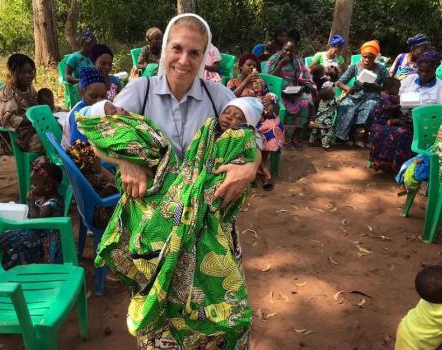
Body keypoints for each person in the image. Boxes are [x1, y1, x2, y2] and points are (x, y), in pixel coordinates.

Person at [94, 13, 258, 349]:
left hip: (207, 226)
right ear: (164, 49)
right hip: (155, 229)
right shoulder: (140, 91)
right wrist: (126, 160)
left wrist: (250, 168)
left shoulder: (217, 98)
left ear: (204, 58)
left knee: (218, 316)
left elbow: (247, 140)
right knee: (159, 318)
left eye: (194, 53)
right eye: (177, 48)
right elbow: (101, 137)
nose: (184, 60)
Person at [371, 51, 442, 173]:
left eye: (428, 71)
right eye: (421, 70)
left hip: (424, 124)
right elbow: (396, 94)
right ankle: (381, 160)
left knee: (402, 133)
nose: (423, 74)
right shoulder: (410, 79)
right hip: (401, 116)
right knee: (377, 128)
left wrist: (425, 111)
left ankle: (396, 167)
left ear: (435, 69)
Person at [227, 53, 283, 190]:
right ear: (241, 68)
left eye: (255, 66)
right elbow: (229, 98)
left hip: (261, 116)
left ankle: (260, 164)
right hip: (242, 118)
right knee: (250, 132)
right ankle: (264, 170)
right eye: (249, 65)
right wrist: (246, 82)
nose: (253, 68)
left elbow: (269, 96)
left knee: (274, 125)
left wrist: (270, 105)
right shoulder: (232, 82)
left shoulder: (260, 82)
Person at [0, 158, 64, 269]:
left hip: (46, 244)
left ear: (47, 186)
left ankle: (13, 266)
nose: (31, 188)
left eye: (34, 184)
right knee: (10, 235)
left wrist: (31, 203)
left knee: (16, 239)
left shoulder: (51, 204)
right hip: (39, 236)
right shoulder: (45, 197)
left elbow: (37, 224)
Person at [0, 53, 41, 158]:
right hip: (10, 137)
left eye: (30, 72)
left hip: (29, 130)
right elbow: (8, 120)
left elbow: (37, 106)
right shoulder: (7, 92)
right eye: (22, 73)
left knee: (59, 131)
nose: (28, 76)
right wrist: (35, 118)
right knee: (51, 139)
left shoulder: (28, 88)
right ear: (12, 73)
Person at [334, 40, 389, 148]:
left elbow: (388, 87)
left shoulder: (381, 69)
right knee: (346, 106)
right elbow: (339, 82)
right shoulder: (354, 66)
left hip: (372, 97)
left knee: (370, 107)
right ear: (361, 56)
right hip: (355, 95)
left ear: (376, 57)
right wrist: (348, 88)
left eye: (371, 57)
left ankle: (362, 138)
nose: (367, 60)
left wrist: (376, 86)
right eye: (365, 57)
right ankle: (346, 136)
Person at [266, 34, 316, 149]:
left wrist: (302, 87)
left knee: (305, 102)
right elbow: (268, 78)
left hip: (294, 90)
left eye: (291, 51)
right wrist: (281, 64)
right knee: (284, 105)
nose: (288, 53)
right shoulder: (274, 59)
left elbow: (305, 75)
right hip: (278, 89)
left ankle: (296, 136)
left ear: (295, 51)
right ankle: (285, 137)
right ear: (282, 49)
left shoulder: (297, 61)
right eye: (286, 50)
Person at [66, 140, 117, 228]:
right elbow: (113, 182)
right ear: (92, 164)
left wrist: (99, 168)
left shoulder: (84, 175)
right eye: (99, 160)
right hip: (102, 216)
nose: (100, 161)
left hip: (87, 212)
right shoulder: (96, 179)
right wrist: (101, 170)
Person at [61, 67, 108, 148]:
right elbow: (79, 147)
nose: (99, 101)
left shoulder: (100, 108)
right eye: (93, 96)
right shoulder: (78, 116)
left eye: (103, 96)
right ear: (83, 92)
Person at [309, 83, 338, 150]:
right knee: (326, 133)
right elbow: (338, 102)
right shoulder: (331, 101)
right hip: (326, 121)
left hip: (318, 119)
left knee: (314, 132)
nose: (334, 91)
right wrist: (346, 95)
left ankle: (311, 142)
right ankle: (325, 146)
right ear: (330, 95)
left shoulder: (321, 100)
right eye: (333, 90)